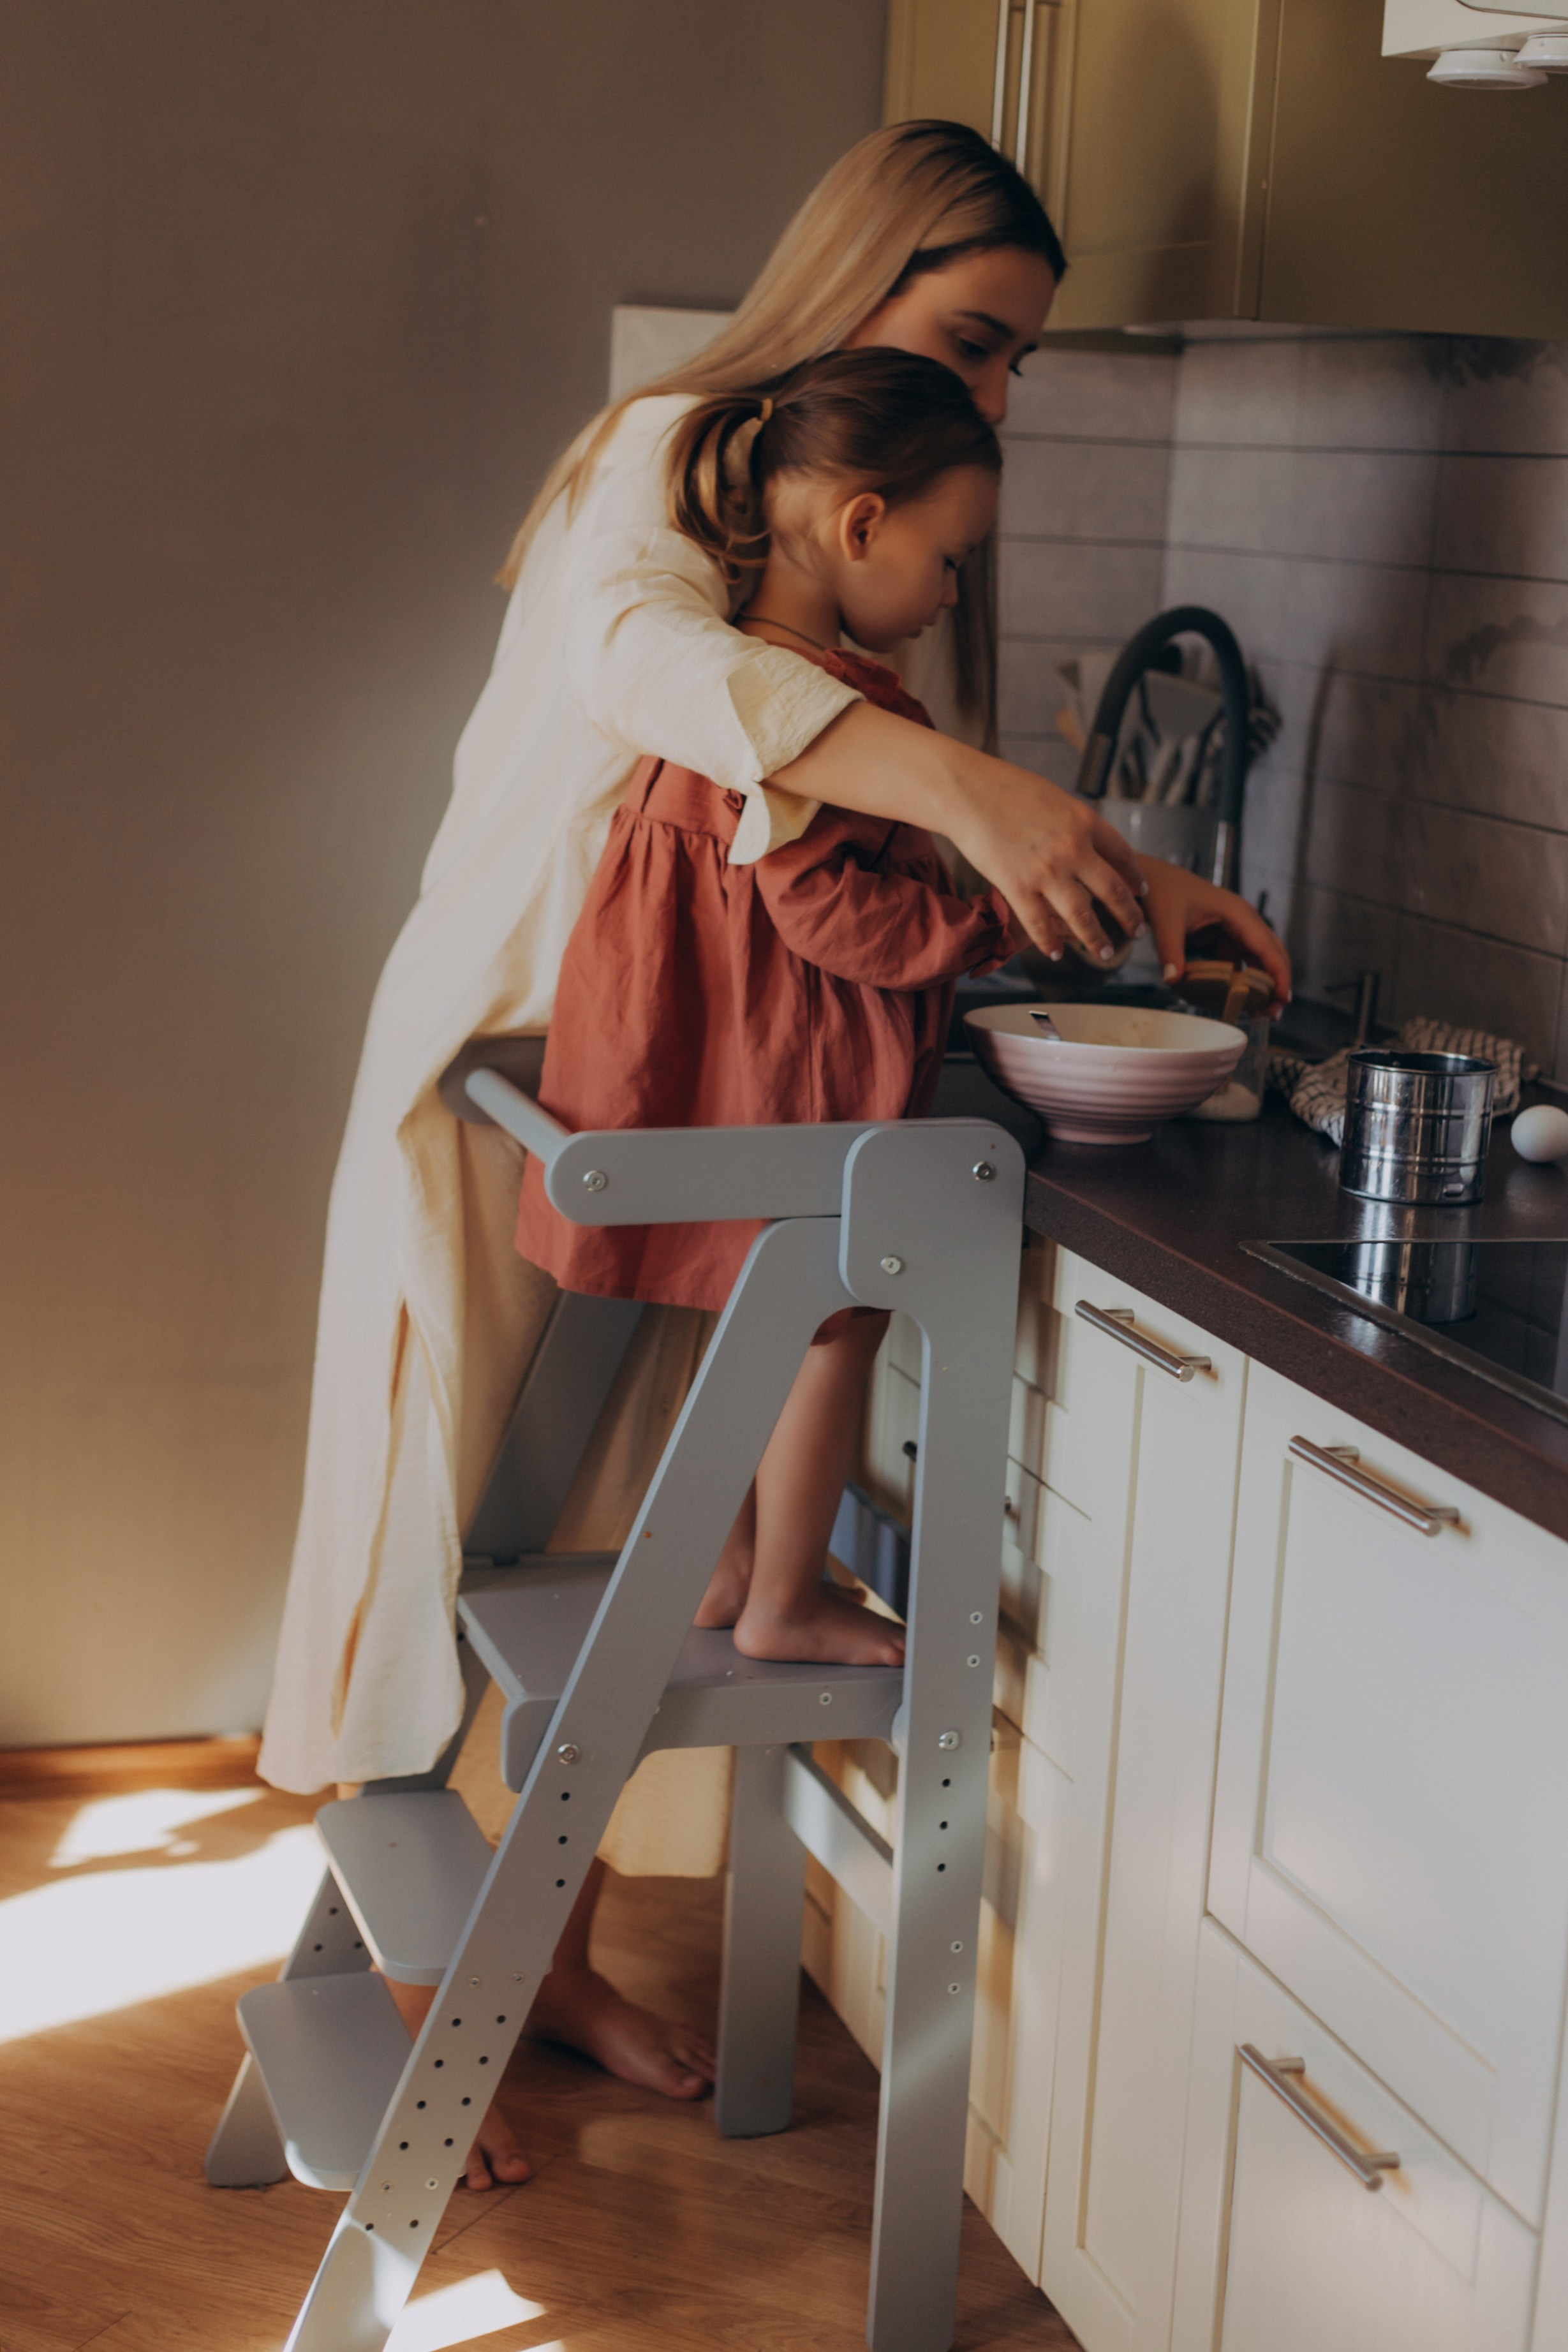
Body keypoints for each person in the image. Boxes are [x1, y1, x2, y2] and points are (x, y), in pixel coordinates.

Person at [255, 119, 1291, 2194]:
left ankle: (524, 1960)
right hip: (521, 1073)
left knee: (630, 1571)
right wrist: (987, 801)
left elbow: (859, 847)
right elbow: (642, 666)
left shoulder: (823, 514)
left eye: (1016, 366)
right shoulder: (678, 443)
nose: (988, 395)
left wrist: (1109, 868)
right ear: (862, 284)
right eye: (971, 339)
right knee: (438, 1542)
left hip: (677, 1091)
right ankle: (411, 2002)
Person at [520, 350, 1022, 1668]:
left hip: (716, 1060)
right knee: (829, 1324)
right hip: (792, 1067)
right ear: (861, 524)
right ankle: (785, 1595)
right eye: (951, 556)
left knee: (755, 1323)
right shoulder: (815, 710)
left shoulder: (723, 674)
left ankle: (727, 1562)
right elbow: (826, 914)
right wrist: (984, 926)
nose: (951, 590)